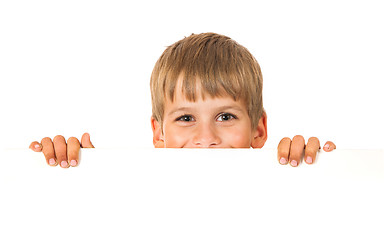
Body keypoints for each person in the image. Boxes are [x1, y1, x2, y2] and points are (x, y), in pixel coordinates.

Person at [29, 32, 336, 168]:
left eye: (225, 116)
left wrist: (323, 171)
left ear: (258, 130)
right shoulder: (130, 199)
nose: (206, 139)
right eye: (186, 118)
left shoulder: (281, 191)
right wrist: (83, 177)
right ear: (159, 133)